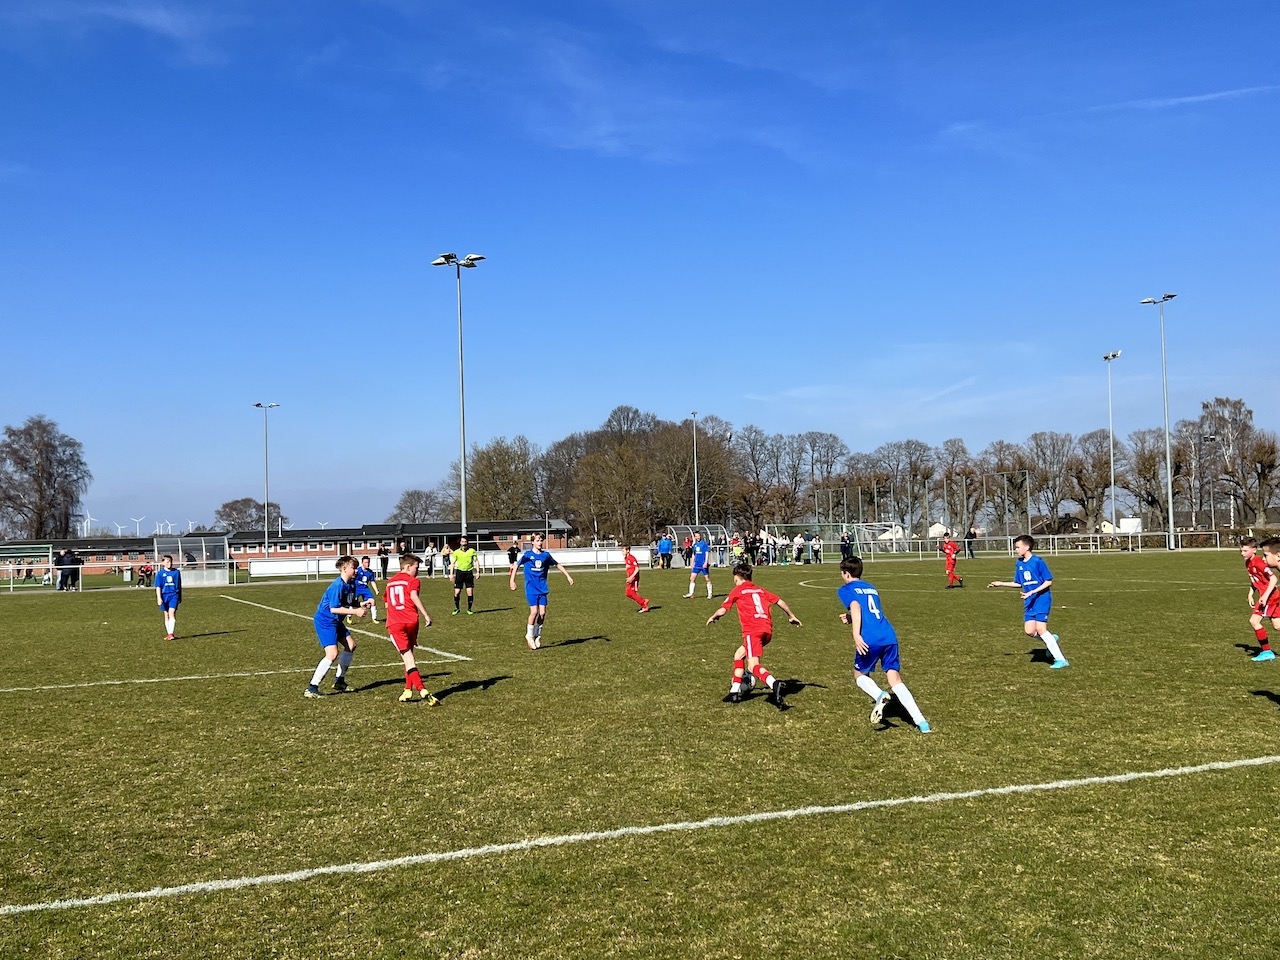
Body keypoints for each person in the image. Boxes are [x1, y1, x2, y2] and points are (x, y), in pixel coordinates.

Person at [838, 556, 931, 732]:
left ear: (846, 574)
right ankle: (922, 722)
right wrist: (850, 618)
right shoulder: (871, 587)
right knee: (895, 679)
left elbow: (856, 606)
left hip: (870, 638)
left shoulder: (846, 589)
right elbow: (871, 611)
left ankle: (879, 695)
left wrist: (856, 634)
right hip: (888, 635)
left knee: (859, 675)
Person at [707, 562, 801, 708]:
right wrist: (791, 616)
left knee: (752, 666)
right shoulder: (760, 590)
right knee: (739, 655)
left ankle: (774, 684)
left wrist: (714, 616)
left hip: (752, 631)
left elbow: (723, 609)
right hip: (767, 630)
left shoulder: (737, 590)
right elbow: (779, 601)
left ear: (737, 577)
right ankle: (734, 692)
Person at [987, 535, 1068, 669]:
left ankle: (1061, 660)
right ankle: (1051, 639)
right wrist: (1001, 583)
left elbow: (1048, 581)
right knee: (1030, 631)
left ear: (1027, 547)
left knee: (1041, 629)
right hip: (1029, 600)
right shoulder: (1019, 563)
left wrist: (1032, 592)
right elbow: (1019, 583)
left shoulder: (1037, 561)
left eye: (1018, 547)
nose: (1016, 550)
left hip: (1042, 599)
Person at [305, 556, 368, 698]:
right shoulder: (337, 585)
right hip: (325, 621)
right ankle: (312, 687)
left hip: (335, 621)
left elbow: (349, 601)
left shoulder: (351, 583)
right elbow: (334, 609)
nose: (356, 570)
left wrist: (360, 604)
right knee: (332, 654)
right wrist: (355, 612)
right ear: (344, 569)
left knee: (351, 645)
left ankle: (340, 681)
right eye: (353, 567)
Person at [383, 553, 440, 704]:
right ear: (408, 567)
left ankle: (422, 690)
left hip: (396, 624)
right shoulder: (413, 581)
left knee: (408, 659)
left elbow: (387, 602)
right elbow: (413, 596)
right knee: (409, 658)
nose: (418, 570)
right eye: (416, 567)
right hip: (411, 621)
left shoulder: (390, 582)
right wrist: (425, 615)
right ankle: (407, 690)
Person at [509, 532, 574, 650]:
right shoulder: (527, 555)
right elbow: (516, 566)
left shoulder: (546, 555)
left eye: (541, 540)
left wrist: (568, 576)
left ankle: (537, 635)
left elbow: (557, 564)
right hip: (531, 588)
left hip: (542, 588)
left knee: (542, 613)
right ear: (532, 542)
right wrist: (512, 581)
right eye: (537, 540)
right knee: (534, 612)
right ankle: (529, 636)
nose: (539, 542)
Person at [1240, 537, 1278, 662]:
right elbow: (1255, 581)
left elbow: (1273, 579)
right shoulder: (1248, 563)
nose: (1242, 553)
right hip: (1268, 596)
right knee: (1277, 625)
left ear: (1254, 550)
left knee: (1254, 621)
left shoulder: (1259, 562)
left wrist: (1265, 596)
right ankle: (1267, 652)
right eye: (1241, 551)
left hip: (1270, 597)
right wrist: (1251, 593)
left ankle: (1267, 652)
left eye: (1245, 551)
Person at [154, 554, 183, 640]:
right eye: (167, 562)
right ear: (163, 563)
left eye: (170, 561)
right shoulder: (160, 573)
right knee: (166, 615)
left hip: (174, 595)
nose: (169, 563)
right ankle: (169, 633)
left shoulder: (176, 572)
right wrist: (159, 598)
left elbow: (179, 585)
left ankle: (171, 634)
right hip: (164, 596)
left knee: (171, 613)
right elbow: (158, 586)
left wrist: (180, 596)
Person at [451, 534, 479, 615]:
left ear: (467, 542)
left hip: (469, 573)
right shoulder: (456, 552)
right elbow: (453, 563)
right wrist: (451, 574)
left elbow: (476, 561)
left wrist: (478, 571)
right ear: (460, 542)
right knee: (457, 592)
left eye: (465, 542)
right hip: (459, 573)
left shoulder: (472, 551)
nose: (464, 543)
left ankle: (469, 609)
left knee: (470, 592)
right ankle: (457, 608)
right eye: (462, 542)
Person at [683, 530, 714, 599]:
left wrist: (706, 562)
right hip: (697, 564)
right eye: (696, 536)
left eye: (698, 536)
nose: (697, 537)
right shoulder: (695, 545)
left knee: (707, 579)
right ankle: (691, 593)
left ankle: (710, 594)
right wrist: (692, 562)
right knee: (692, 578)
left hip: (703, 564)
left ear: (700, 536)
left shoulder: (704, 544)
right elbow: (694, 554)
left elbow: (707, 553)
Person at [623, 543, 650, 613]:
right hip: (630, 578)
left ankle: (644, 605)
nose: (622, 552)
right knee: (628, 593)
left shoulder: (632, 558)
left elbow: (637, 568)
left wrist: (631, 577)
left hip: (634, 578)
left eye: (623, 551)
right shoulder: (626, 558)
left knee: (631, 593)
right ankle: (643, 601)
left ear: (628, 550)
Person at [354, 555, 379, 622]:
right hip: (356, 588)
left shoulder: (370, 572)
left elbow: (372, 581)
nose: (367, 564)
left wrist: (376, 590)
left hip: (365, 589)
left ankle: (374, 618)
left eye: (368, 562)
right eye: (365, 562)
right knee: (352, 602)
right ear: (362, 563)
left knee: (372, 601)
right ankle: (349, 615)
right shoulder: (357, 570)